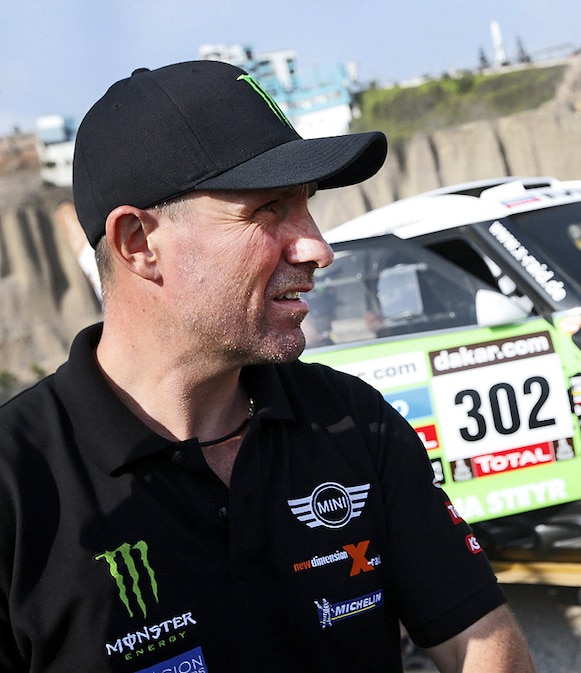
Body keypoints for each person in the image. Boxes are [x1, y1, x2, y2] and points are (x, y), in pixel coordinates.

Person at [0, 61, 536, 673]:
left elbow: (481, 643)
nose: (318, 248)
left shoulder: (353, 422)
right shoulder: (17, 487)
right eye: (268, 211)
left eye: (306, 207)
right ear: (138, 244)